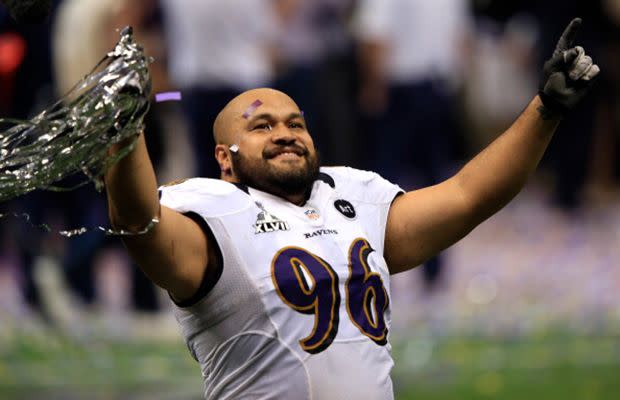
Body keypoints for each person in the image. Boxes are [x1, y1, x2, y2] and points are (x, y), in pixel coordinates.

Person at [104, 18, 598, 399]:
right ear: (224, 160)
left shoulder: (352, 197)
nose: (284, 133)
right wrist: (125, 132)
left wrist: (545, 111)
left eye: (295, 123)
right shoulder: (211, 213)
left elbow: (468, 196)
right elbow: (138, 222)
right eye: (261, 127)